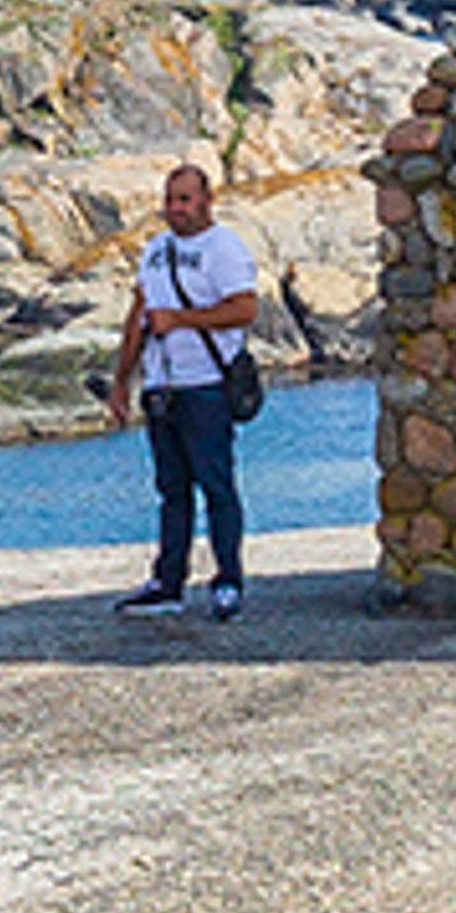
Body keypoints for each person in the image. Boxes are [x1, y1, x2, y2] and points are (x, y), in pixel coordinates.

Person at [109, 161, 259, 619]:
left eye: (185, 199)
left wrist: (182, 320)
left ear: (206, 200)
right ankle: (168, 582)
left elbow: (244, 309)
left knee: (217, 486)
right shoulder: (155, 251)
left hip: (207, 387)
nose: (175, 209)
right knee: (172, 490)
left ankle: (228, 581)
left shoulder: (224, 249)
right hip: (162, 388)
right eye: (171, 200)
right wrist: (122, 380)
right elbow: (139, 313)